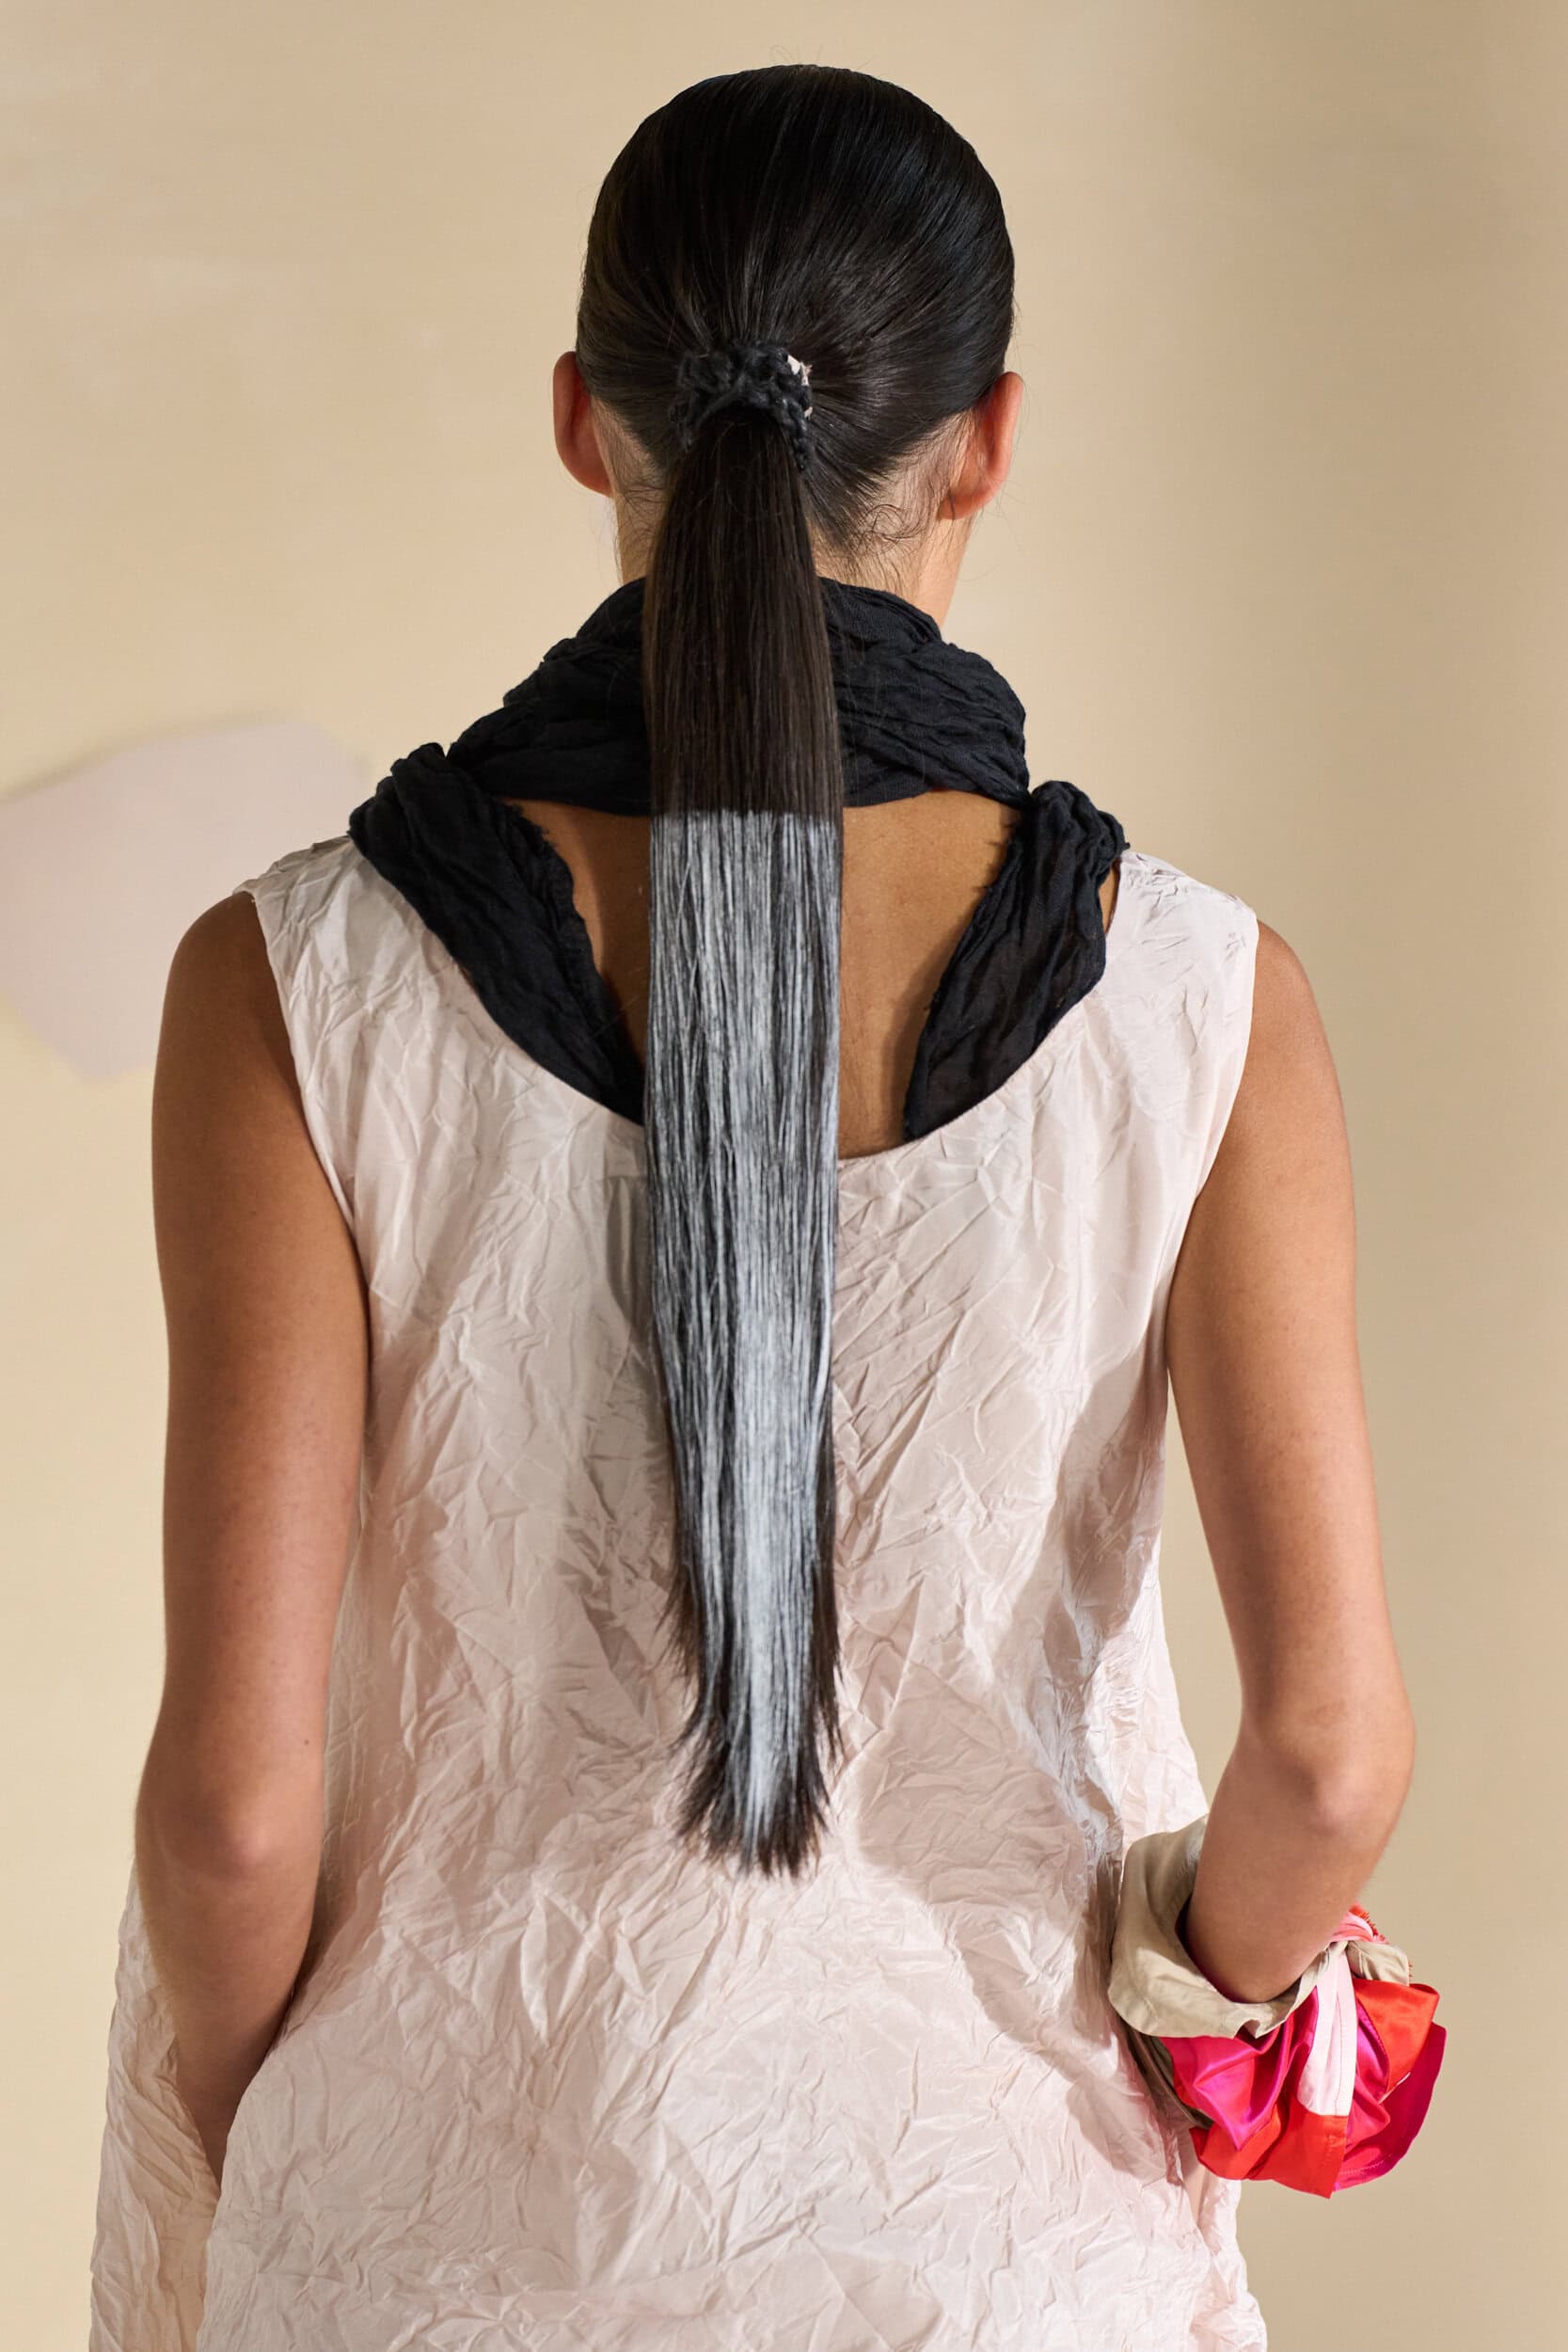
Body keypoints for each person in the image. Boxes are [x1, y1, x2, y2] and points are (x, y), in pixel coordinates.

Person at [88, 61, 1416, 2352]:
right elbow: (1331, 1752)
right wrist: (1196, 1990)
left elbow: (230, 1807)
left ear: (584, 419)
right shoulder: (1209, 1004)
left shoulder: (290, 982)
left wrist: (271, 2150)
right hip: (1008, 2261)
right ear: (984, 441)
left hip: (429, 2250)